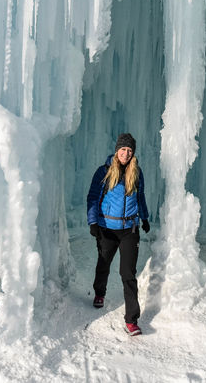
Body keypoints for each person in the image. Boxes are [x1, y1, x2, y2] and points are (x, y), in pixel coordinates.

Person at [87, 133, 150, 336]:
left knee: (128, 274)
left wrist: (145, 218)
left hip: (129, 230)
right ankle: (99, 292)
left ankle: (131, 320)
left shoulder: (137, 173)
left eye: (130, 150)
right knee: (103, 263)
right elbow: (93, 197)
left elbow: (140, 198)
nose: (126, 153)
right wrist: (93, 222)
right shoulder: (103, 172)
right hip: (106, 228)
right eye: (123, 149)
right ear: (117, 151)